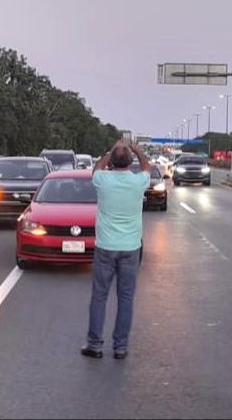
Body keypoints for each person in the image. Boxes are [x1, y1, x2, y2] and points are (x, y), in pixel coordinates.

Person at [81, 141, 152, 360]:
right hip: (130, 248)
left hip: (105, 247)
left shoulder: (103, 180)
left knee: (99, 296)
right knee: (126, 297)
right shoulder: (139, 181)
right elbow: (147, 168)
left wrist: (108, 153)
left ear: (112, 161)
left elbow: (96, 169)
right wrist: (138, 150)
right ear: (131, 161)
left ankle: (95, 344)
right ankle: (120, 347)